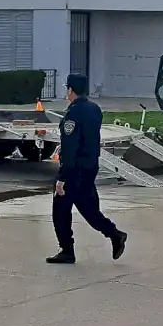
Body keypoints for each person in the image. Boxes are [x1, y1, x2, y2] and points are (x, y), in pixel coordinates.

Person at [46, 74, 128, 264]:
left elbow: (72, 146)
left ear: (70, 90)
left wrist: (62, 177)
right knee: (89, 210)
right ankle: (115, 234)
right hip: (90, 166)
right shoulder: (94, 109)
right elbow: (87, 138)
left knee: (60, 210)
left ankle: (67, 250)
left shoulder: (73, 113)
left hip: (74, 170)